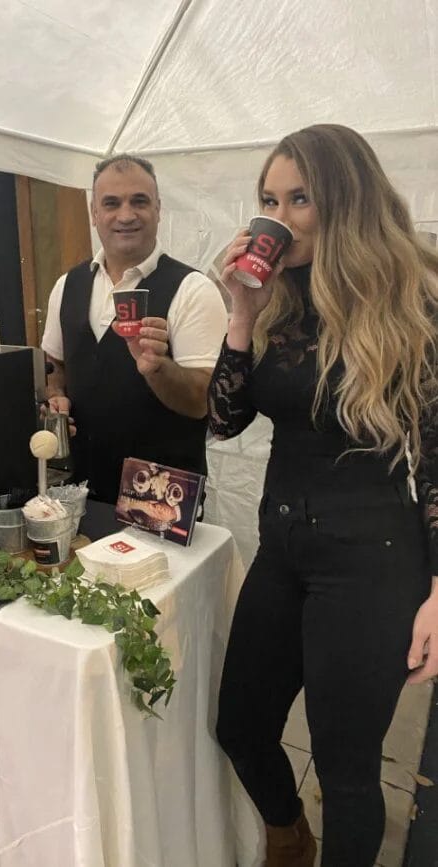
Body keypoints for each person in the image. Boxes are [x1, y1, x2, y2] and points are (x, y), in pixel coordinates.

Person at [208, 124, 438, 866]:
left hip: (371, 559)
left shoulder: (413, 298)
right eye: (270, 199)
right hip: (283, 547)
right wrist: (240, 315)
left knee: (345, 772)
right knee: (240, 727)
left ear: (344, 199)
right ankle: (287, 836)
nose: (279, 215)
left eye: (299, 197)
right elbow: (224, 418)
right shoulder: (282, 301)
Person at [42, 154, 227, 503]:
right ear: (94, 213)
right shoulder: (67, 285)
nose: (126, 215)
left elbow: (204, 402)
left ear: (158, 209)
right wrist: (55, 399)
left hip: (162, 499)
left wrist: (158, 368)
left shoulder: (192, 289)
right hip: (83, 488)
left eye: (139, 202)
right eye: (111, 203)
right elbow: (55, 366)